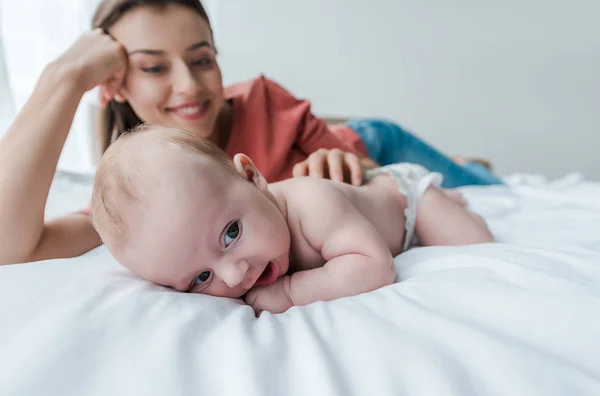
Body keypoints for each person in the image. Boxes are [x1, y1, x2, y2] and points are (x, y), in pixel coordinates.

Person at [0, 0, 499, 266]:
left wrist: (350, 168)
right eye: (153, 68)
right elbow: (9, 246)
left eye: (201, 59)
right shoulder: (141, 199)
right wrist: (63, 78)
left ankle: (473, 164)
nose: (189, 85)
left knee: (480, 187)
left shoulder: (259, 98)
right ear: (116, 84)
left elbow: (378, 183)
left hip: (374, 141)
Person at [91, 125, 494, 315]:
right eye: (200, 279)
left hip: (405, 201)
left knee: (476, 243)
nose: (234, 276)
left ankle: (450, 189)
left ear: (253, 177)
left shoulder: (313, 205)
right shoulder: (239, 255)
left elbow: (375, 266)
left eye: (231, 234)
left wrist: (289, 293)